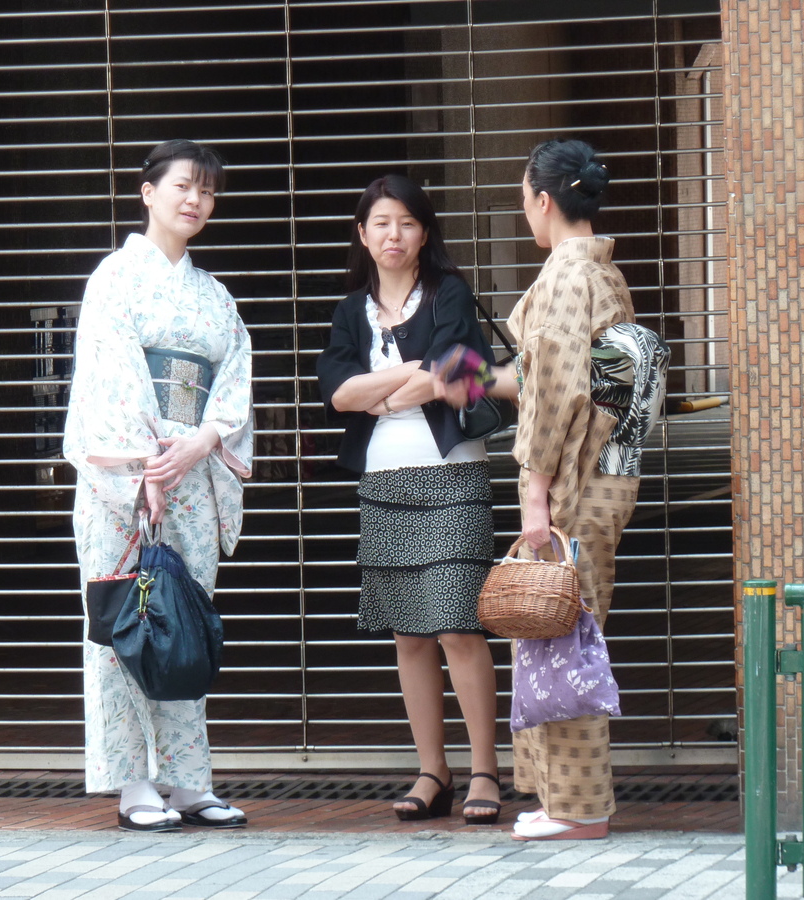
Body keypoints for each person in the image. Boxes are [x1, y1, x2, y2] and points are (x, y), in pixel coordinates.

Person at [62, 140, 253, 833]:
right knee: (125, 626)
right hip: (126, 481)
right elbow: (111, 379)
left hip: (192, 474)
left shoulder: (214, 297)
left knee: (180, 625)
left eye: (207, 191)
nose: (195, 200)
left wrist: (202, 440)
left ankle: (188, 780)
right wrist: (147, 465)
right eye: (182, 186)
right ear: (147, 192)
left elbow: (233, 380)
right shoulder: (114, 279)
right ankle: (133, 782)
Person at [316, 174, 508, 825]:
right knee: (409, 635)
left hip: (452, 476)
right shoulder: (350, 312)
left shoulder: (448, 292)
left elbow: (462, 371)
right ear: (363, 235)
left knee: (457, 623)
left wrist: (385, 384)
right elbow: (339, 395)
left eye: (405, 223)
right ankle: (434, 771)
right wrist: (412, 374)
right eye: (381, 223)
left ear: (424, 232)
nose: (392, 234)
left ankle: (485, 769)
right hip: (384, 481)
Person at [504, 138, 639, 841]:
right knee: (565, 633)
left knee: (565, 639)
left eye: (525, 197)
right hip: (607, 477)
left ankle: (578, 808)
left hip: (572, 485)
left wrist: (535, 493)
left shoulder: (565, 279)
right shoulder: (609, 278)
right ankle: (559, 798)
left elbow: (554, 395)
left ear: (545, 199)